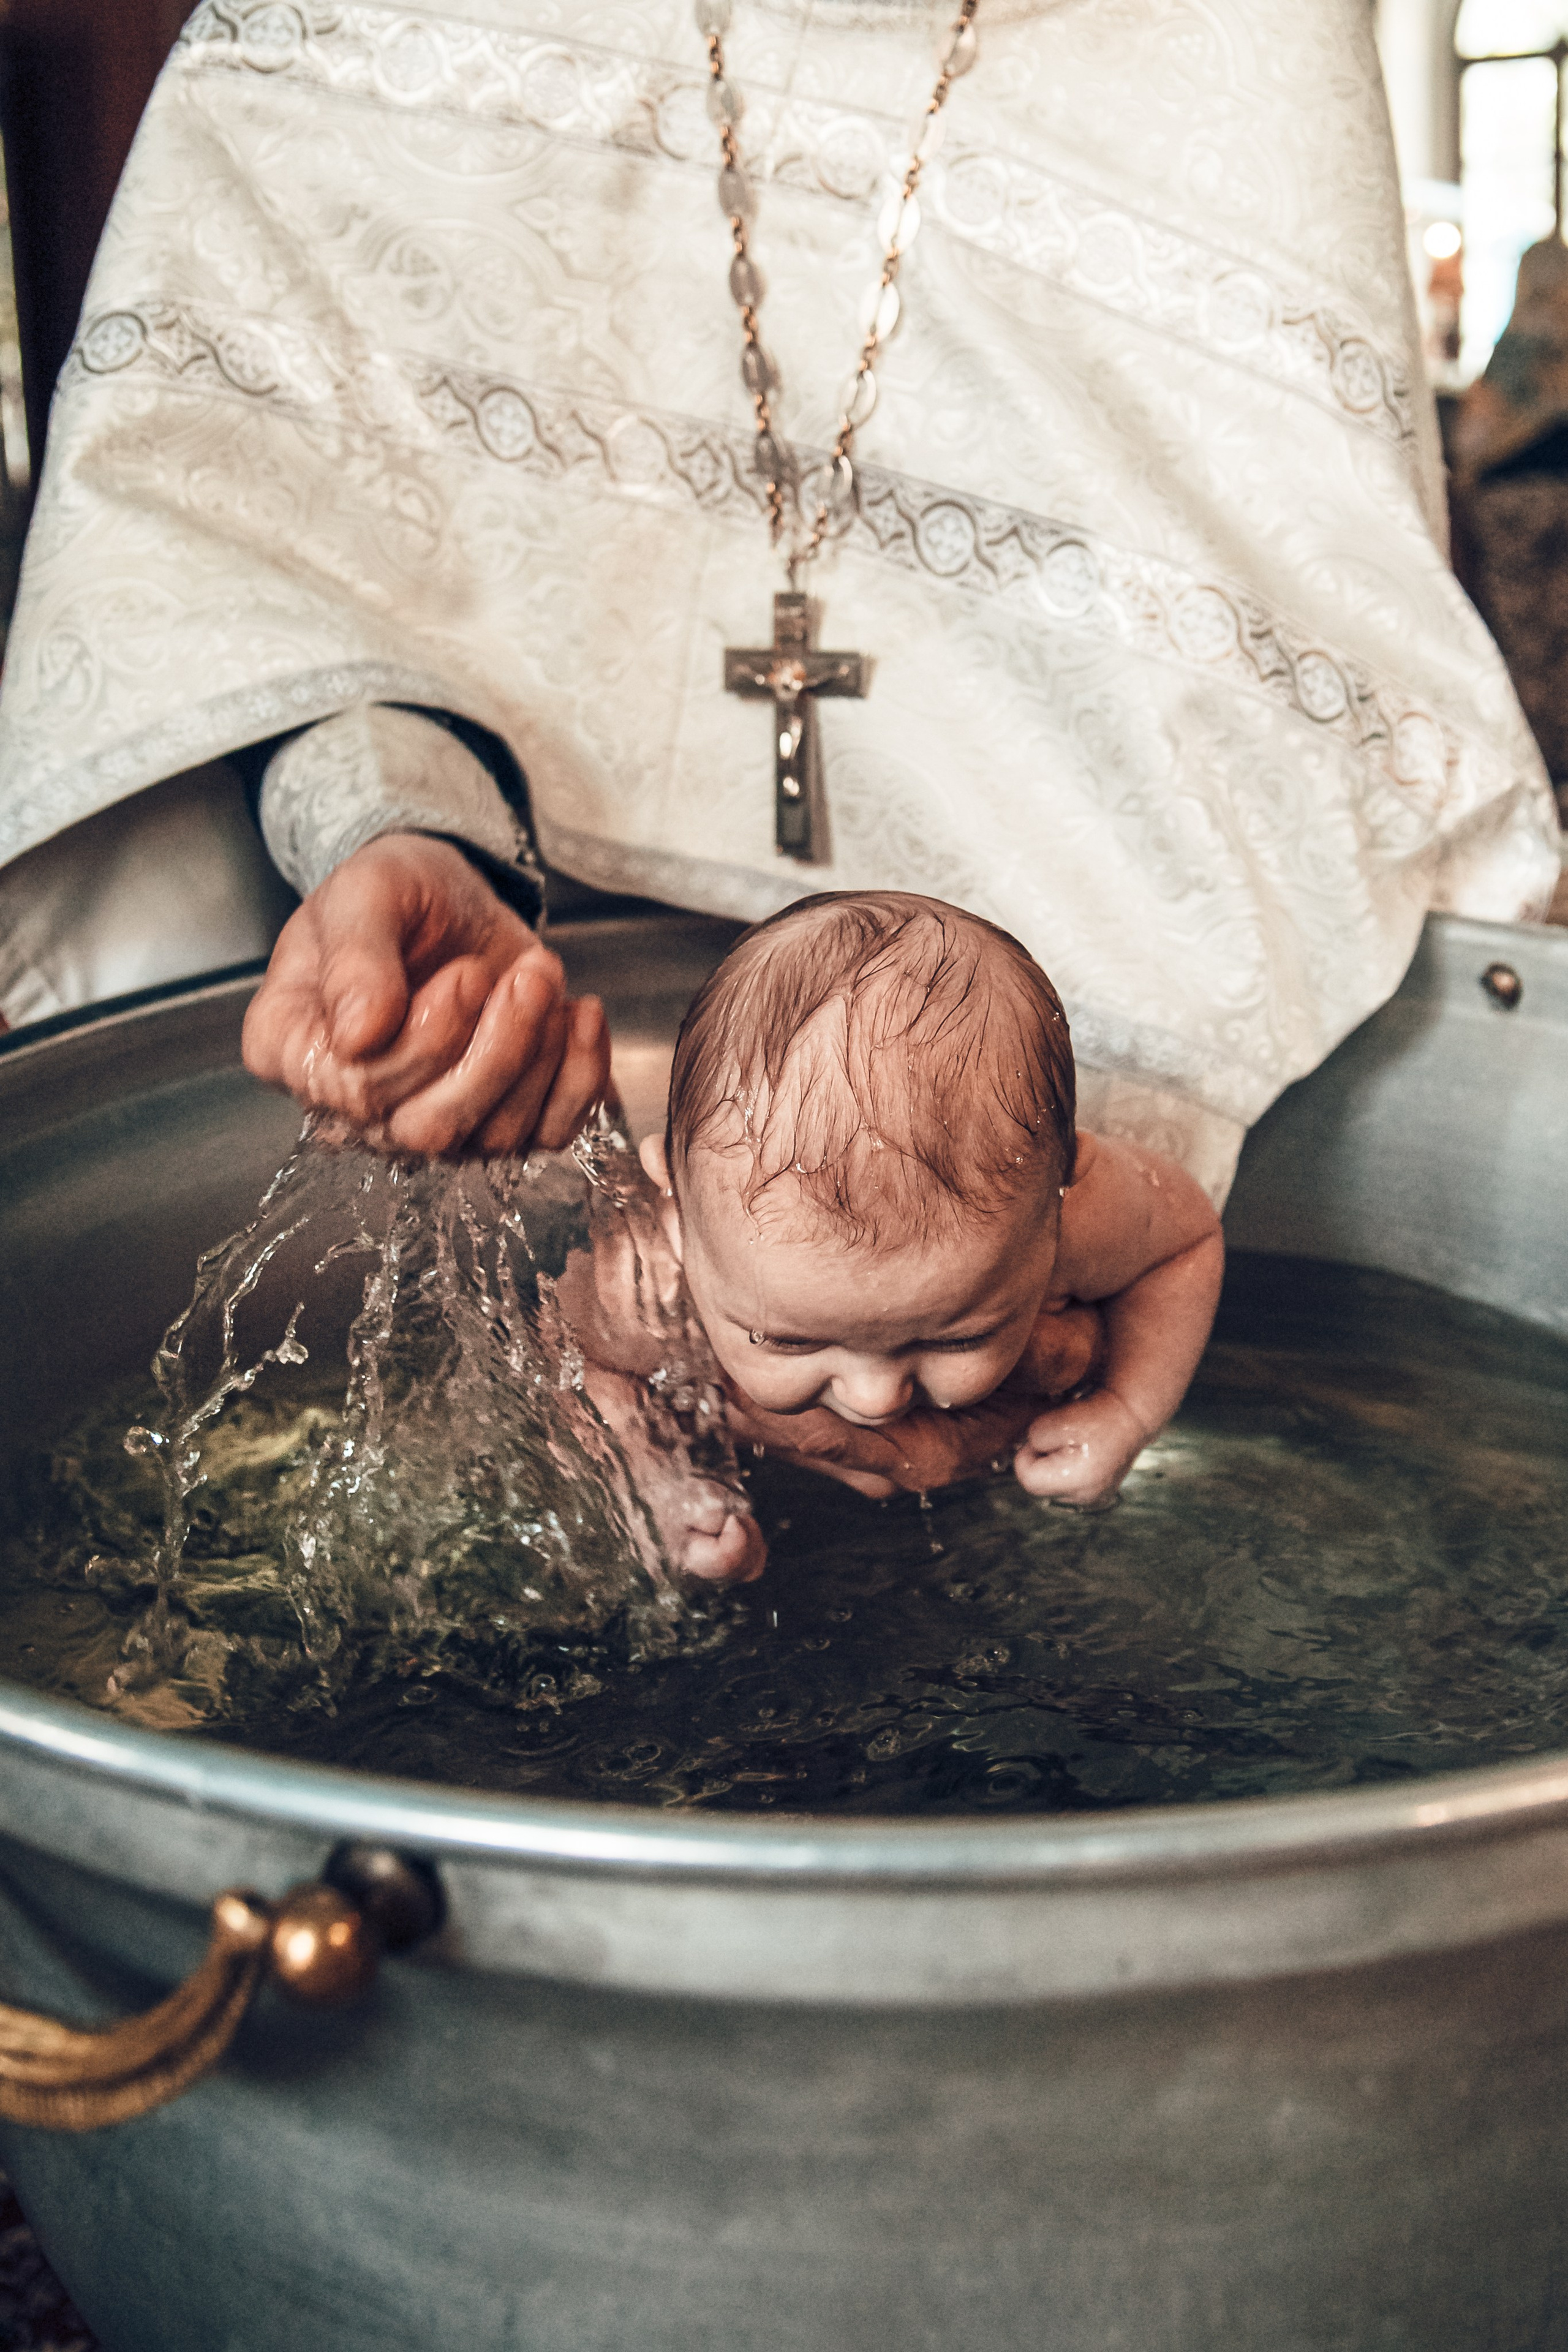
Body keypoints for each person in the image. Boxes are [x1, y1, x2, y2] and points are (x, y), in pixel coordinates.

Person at [0, 0, 1557, 1185]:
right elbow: (253, 511)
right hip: (512, 984)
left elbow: (1288, 620)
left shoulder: (1234, 34)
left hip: (1057, 1092)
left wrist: (1095, 1167)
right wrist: (387, 814)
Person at [562, 892, 1221, 1582]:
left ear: (1057, 1199)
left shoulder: (1076, 1217)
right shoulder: (646, 1288)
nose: (876, 1397)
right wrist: (652, 1479)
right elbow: (574, 1361)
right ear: (677, 1213)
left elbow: (1186, 1242)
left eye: (952, 1336)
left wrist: (1128, 1408)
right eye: (789, 1338)